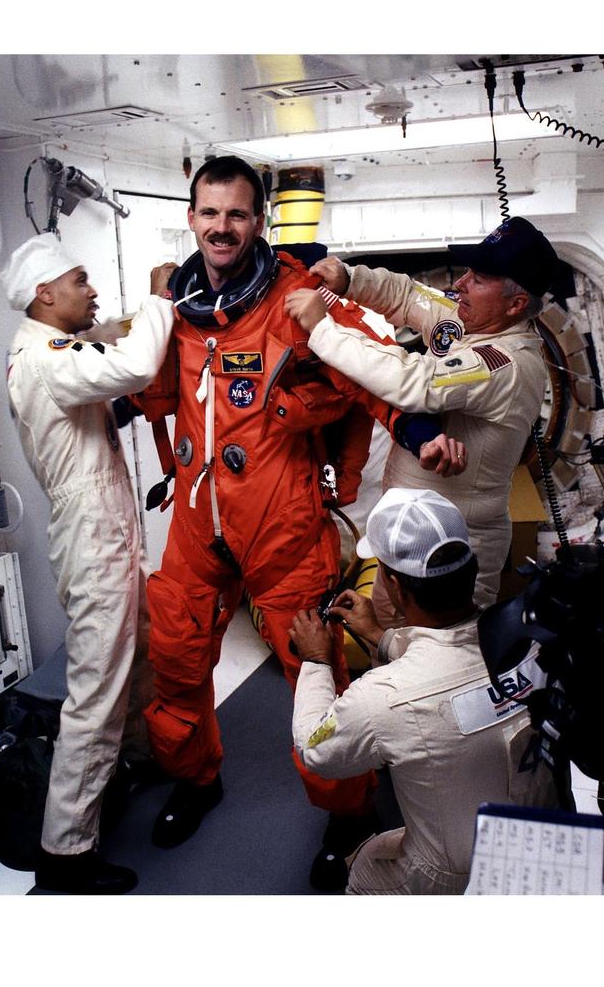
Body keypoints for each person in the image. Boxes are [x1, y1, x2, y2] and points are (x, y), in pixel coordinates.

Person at [131, 156, 463, 890]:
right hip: (197, 523)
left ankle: (347, 816)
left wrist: (419, 434)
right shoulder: (171, 307)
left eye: (238, 215)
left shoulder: (298, 299)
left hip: (282, 524)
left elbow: (374, 372)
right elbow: (134, 376)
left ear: (259, 222)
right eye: (210, 213)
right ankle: (197, 779)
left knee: (317, 671)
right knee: (180, 659)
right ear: (191, 217)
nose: (222, 228)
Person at [2, 233, 177, 894]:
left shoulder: (56, 351)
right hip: (90, 533)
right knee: (96, 692)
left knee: (135, 658)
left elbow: (110, 391)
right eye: (81, 280)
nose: (92, 290)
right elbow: (128, 369)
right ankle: (66, 853)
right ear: (46, 294)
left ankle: (130, 762)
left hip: (105, 525)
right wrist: (160, 302)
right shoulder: (46, 355)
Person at [284, 216, 557, 626]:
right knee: (388, 648)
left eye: (479, 279)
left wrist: (322, 329)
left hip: (454, 550)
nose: (462, 284)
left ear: (515, 304)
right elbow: (409, 295)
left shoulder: (507, 363)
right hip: (407, 535)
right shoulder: (469, 321)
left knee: (434, 666)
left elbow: (415, 383)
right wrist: (349, 279)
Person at [288, 487, 559, 894]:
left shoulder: (382, 698)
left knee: (361, 867)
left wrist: (317, 661)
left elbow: (315, 748)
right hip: (546, 840)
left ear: (395, 586)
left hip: (452, 878)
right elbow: (451, 656)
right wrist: (379, 637)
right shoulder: (533, 639)